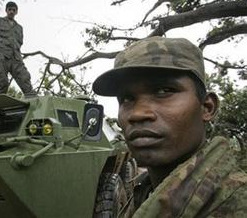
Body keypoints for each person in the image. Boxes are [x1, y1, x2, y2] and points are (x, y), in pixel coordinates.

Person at [92, 36, 247, 217]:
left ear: (207, 107)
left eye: (164, 91)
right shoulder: (146, 190)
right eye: (127, 98)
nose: (137, 114)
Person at [0, 1, 35, 98]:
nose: (11, 12)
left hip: (16, 58)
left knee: (25, 79)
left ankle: (33, 102)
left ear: (16, 12)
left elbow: (19, 43)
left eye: (14, 10)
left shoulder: (19, 28)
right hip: (2, 55)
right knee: (2, 81)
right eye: (9, 9)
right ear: (6, 10)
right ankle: (0, 103)